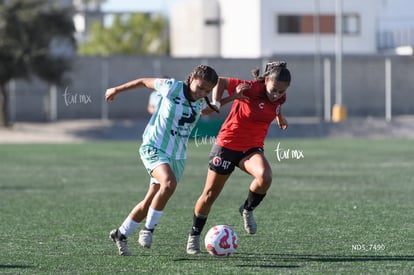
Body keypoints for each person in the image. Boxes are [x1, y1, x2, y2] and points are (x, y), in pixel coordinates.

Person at [106, 65, 219, 256]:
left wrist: (232, 98)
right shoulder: (172, 87)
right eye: (200, 87)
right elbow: (143, 82)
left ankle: (121, 233)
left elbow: (207, 110)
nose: (203, 93)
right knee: (169, 183)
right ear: (191, 78)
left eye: (207, 90)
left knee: (150, 200)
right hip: (154, 147)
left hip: (177, 156)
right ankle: (148, 230)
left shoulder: (200, 102)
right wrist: (116, 89)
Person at [186, 61, 292, 254]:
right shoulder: (250, 88)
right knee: (209, 195)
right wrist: (217, 103)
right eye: (274, 89)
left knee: (265, 177)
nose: (276, 94)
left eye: (281, 92)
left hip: (251, 149)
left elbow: (276, 106)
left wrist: (280, 118)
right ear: (266, 80)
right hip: (226, 145)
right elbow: (221, 81)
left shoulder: (279, 98)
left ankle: (247, 209)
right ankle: (194, 236)